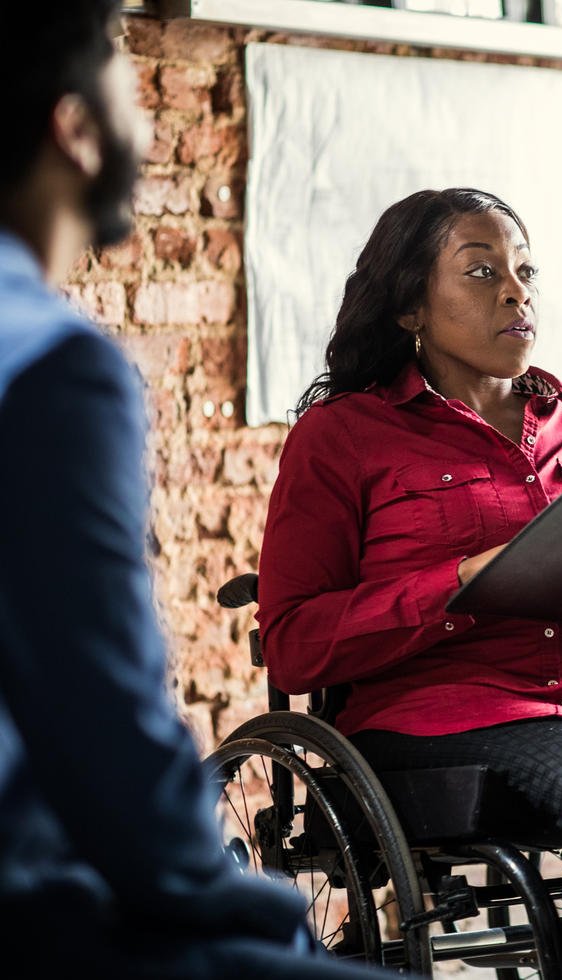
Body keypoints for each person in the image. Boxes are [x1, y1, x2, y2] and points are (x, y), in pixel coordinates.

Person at [0, 3, 384, 977]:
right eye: (128, 87)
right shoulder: (48, 366)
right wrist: (242, 902)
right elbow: (101, 730)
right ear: (74, 129)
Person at [255, 187, 562, 971]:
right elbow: (296, 646)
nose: (516, 290)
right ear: (411, 307)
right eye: (481, 272)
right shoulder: (342, 437)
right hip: (434, 721)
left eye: (524, 271)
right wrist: (457, 581)